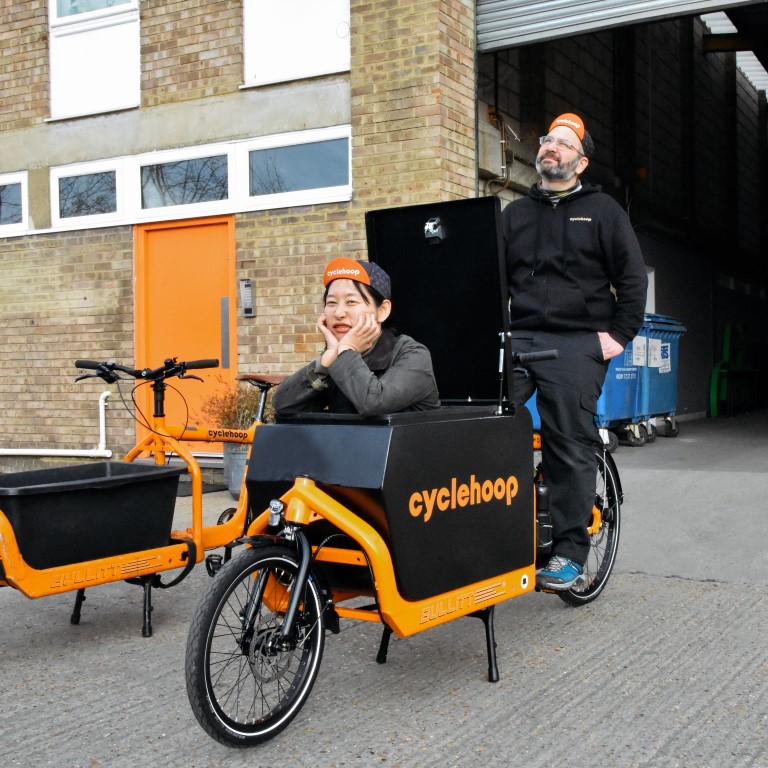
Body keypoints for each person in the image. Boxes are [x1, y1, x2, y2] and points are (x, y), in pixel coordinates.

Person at [501, 112, 648, 590]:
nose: (552, 146)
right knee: (480, 419)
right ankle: (494, 530)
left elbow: (631, 278)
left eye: (564, 143)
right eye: (548, 139)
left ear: (581, 162)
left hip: (578, 340)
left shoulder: (603, 211)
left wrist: (619, 335)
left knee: (567, 435)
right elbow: (490, 281)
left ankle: (569, 552)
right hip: (521, 334)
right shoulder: (513, 215)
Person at [272, 257, 440, 416]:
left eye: (351, 302)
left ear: (382, 311)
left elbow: (375, 403)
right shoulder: (338, 356)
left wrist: (347, 351)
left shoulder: (413, 354)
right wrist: (323, 365)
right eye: (331, 303)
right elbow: (283, 405)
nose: (339, 313)